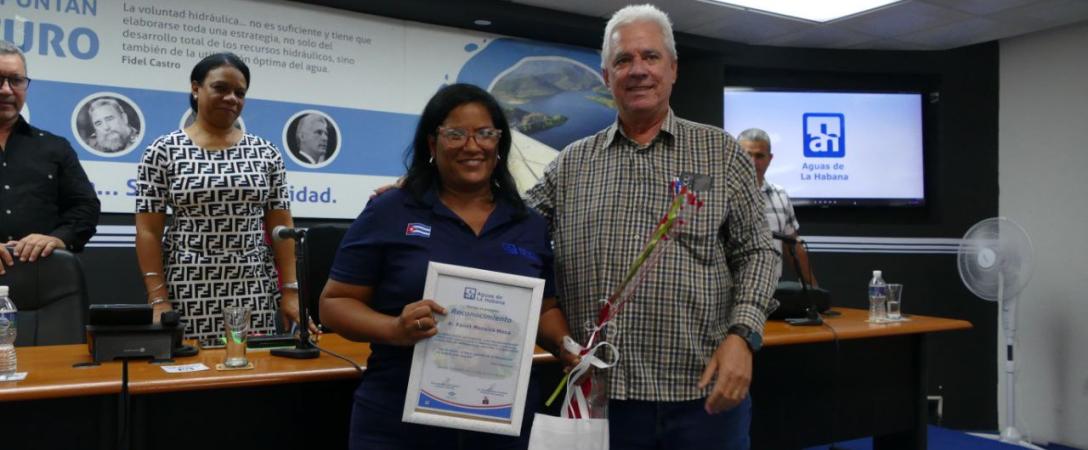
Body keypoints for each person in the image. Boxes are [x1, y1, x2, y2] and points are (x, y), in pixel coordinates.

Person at [524, 5, 778, 449]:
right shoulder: (571, 165)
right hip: (602, 400)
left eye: (651, 56)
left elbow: (758, 251)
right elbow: (511, 226)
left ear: (673, 69)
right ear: (607, 76)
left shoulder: (720, 152)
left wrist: (743, 336)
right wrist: (426, 190)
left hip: (702, 398)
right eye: (623, 60)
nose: (638, 69)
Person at [320, 83, 575, 450]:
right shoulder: (390, 210)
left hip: (501, 422)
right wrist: (394, 328)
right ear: (432, 143)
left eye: (485, 133)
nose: (472, 146)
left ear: (499, 144)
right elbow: (335, 303)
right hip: (397, 423)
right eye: (456, 134)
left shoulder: (529, 224)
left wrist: (565, 345)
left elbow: (544, 308)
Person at [134, 52, 311, 343]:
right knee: (192, 367)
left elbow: (281, 228)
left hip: (252, 287)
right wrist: (158, 299)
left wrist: (290, 291)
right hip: (188, 287)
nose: (231, 98)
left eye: (240, 93)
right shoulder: (162, 151)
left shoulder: (266, 153)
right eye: (220, 88)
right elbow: (148, 232)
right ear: (196, 88)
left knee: (251, 366)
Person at [0, 40, 100, 275]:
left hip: (42, 280)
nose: (6, 90)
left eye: (16, 80)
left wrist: (58, 238)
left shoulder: (55, 147)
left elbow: (85, 207)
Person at [738, 128, 817, 286]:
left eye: (759, 156)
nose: (753, 162)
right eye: (747, 155)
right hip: (730, 292)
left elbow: (793, 248)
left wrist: (815, 292)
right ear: (736, 157)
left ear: (770, 159)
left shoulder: (780, 195)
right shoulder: (720, 195)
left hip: (772, 290)